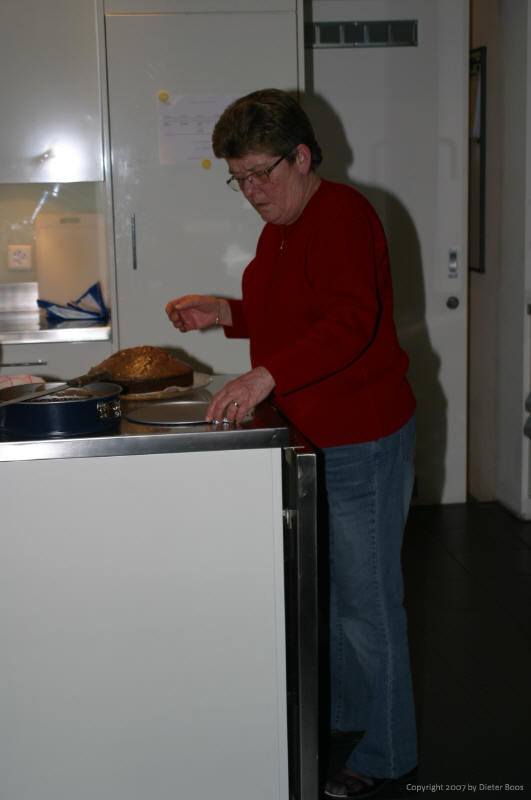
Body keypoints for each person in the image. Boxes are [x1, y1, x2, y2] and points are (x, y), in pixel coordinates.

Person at [166, 89, 417, 798]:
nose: (251, 192)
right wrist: (226, 312)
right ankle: (348, 720)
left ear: (301, 156)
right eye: (238, 178)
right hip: (318, 434)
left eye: (260, 174)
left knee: (369, 606)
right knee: (337, 596)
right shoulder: (283, 225)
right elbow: (294, 311)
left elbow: (348, 322)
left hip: (363, 437)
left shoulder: (342, 215)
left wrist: (263, 376)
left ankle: (389, 753)